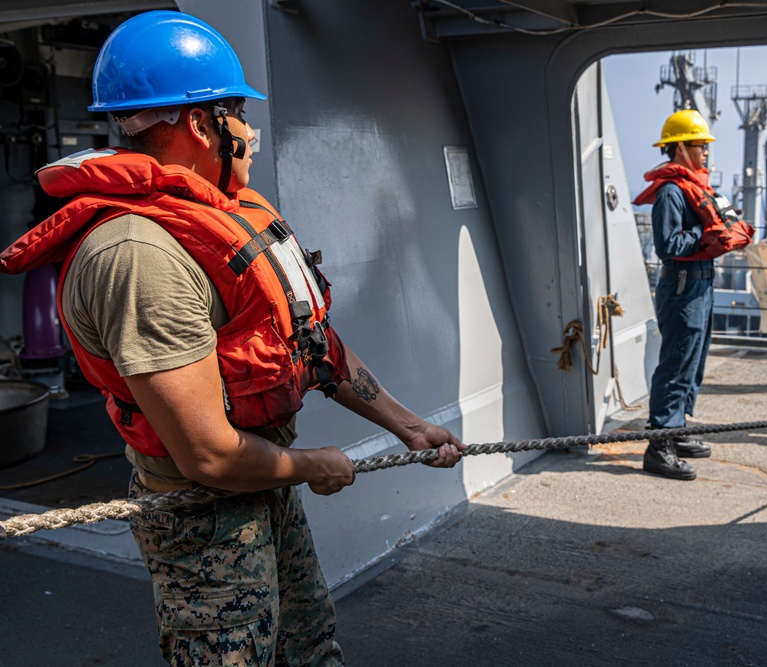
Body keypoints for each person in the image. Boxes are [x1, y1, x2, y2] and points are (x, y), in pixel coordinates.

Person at [0, 11, 464, 665]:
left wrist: (409, 427)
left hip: (264, 482)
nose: (249, 131)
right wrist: (318, 465)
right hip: (203, 516)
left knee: (307, 646)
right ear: (199, 123)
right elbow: (209, 457)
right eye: (239, 113)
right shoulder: (140, 256)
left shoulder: (219, 215)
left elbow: (311, 343)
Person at [632, 110, 753, 480]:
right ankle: (659, 446)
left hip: (701, 282)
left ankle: (678, 428)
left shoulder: (697, 187)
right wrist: (707, 236)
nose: (706, 153)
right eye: (700, 146)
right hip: (683, 282)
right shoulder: (671, 192)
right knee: (677, 361)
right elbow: (668, 245)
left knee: (694, 360)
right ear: (680, 147)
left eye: (706, 146)